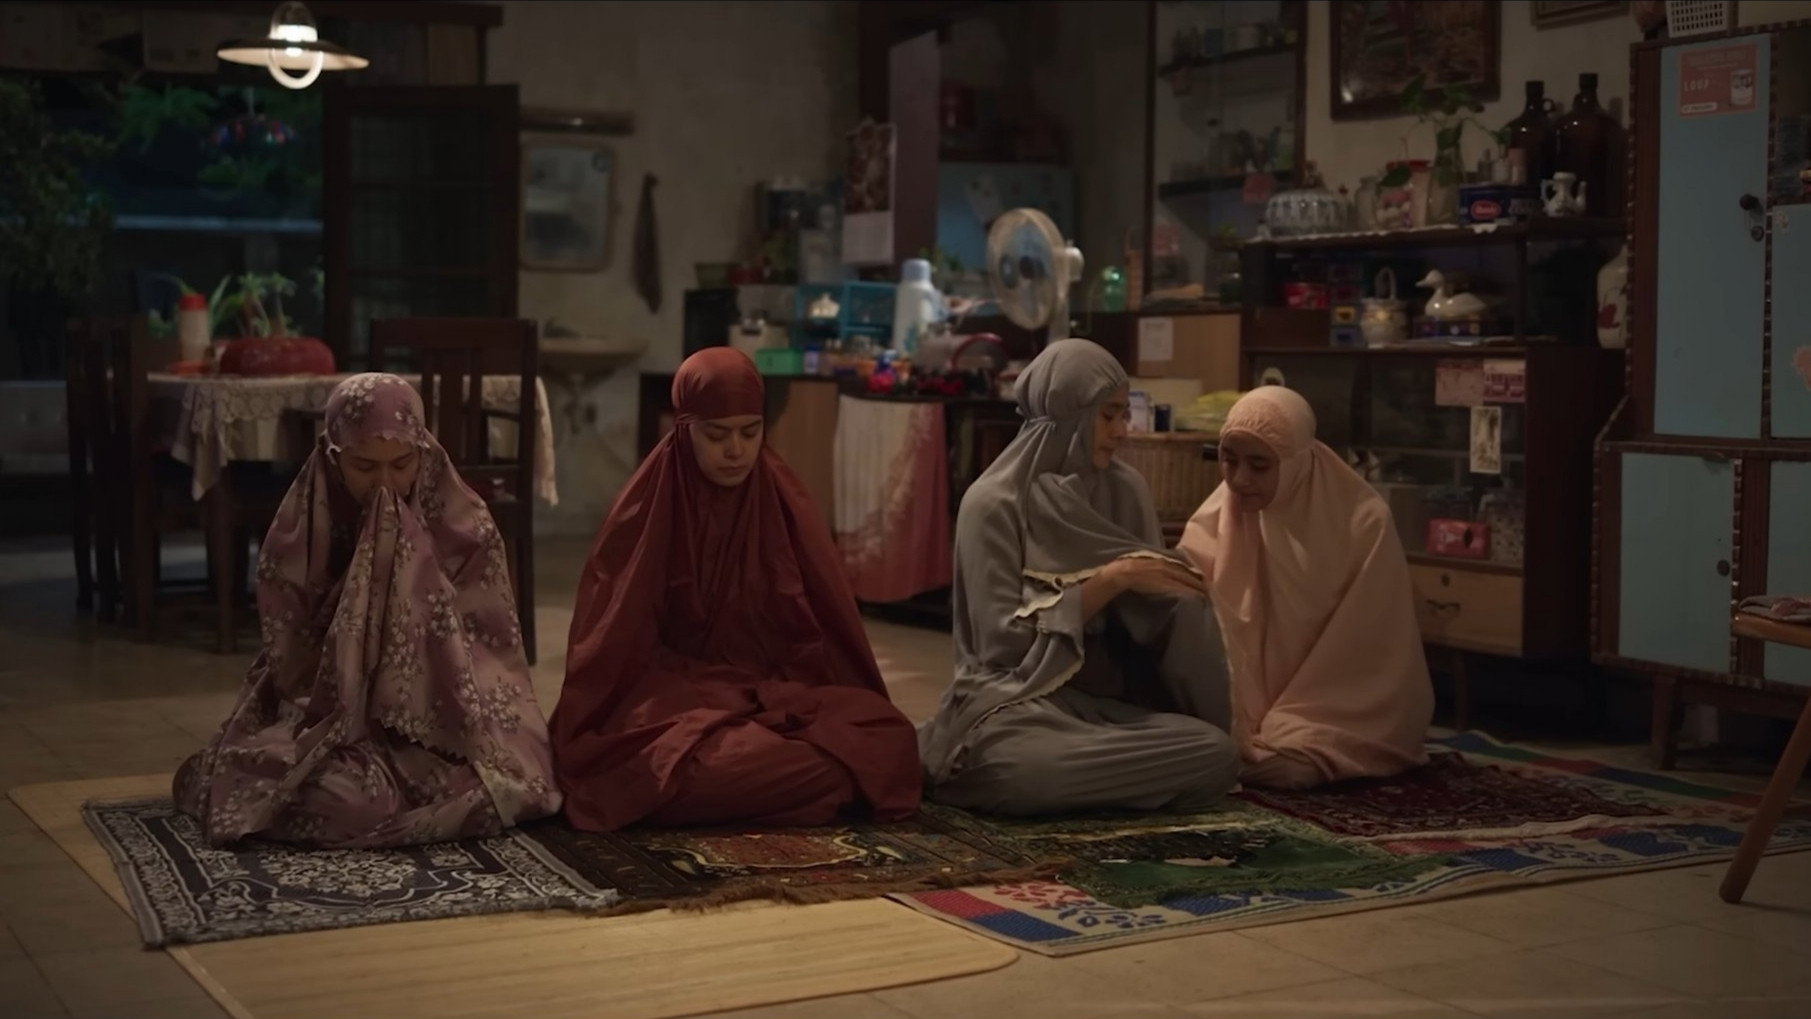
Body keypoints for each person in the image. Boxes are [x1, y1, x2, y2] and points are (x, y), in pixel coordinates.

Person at [174, 373, 561, 847]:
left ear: (423, 450)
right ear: (332, 456)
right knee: (345, 799)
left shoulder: (466, 527)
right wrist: (355, 634)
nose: (384, 484)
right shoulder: (301, 530)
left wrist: (413, 584)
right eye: (363, 467)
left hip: (443, 715)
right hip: (330, 712)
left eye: (401, 465)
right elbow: (291, 654)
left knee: (513, 781)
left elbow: (490, 646)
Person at [552, 348, 921, 831]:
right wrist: (705, 699)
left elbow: (819, 633)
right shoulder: (644, 511)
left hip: (773, 694)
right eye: (717, 434)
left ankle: (786, 787)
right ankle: (813, 788)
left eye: (750, 432)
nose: (736, 451)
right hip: (674, 700)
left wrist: (768, 695)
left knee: (889, 735)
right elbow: (614, 653)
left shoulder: (783, 501)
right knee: (691, 768)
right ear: (684, 428)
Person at [918, 338, 1238, 816]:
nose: (1122, 431)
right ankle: (1095, 783)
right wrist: (1112, 579)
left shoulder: (1125, 490)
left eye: (1124, 415)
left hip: (1105, 705)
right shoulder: (993, 504)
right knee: (1023, 769)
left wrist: (1178, 601)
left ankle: (1095, 782)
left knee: (1214, 751)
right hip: (1015, 703)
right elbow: (1000, 648)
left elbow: (1154, 612)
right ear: (1068, 413)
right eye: (1108, 416)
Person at [1179, 385, 1433, 790]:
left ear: (1296, 462)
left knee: (1289, 766)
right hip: (1237, 709)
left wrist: (1296, 722)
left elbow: (1371, 653)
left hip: (1334, 707)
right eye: (1229, 460)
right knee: (1198, 743)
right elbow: (1186, 614)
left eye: (1259, 465)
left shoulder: (1363, 523)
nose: (1240, 479)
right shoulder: (1218, 515)